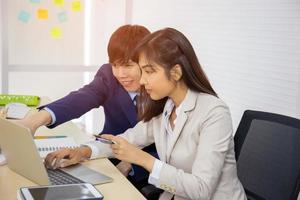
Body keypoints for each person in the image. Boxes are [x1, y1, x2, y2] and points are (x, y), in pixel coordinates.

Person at [45, 28, 246, 200]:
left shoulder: (214, 113)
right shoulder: (166, 108)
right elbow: (127, 140)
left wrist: (142, 159)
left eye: (149, 72)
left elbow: (201, 189)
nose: (142, 81)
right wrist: (82, 151)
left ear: (175, 72)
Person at [18, 24, 157, 190]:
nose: (120, 74)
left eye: (128, 65)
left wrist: (130, 164)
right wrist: (35, 121)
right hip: (106, 156)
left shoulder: (161, 88)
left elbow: (169, 149)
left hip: (148, 172)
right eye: (114, 65)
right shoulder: (108, 75)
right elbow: (83, 97)